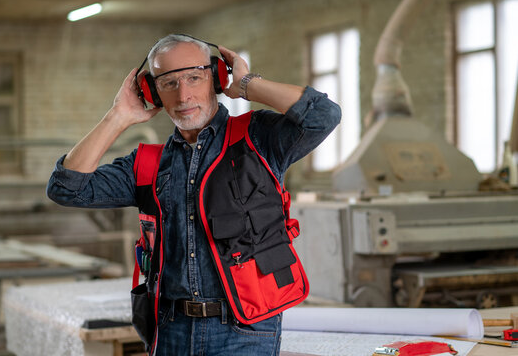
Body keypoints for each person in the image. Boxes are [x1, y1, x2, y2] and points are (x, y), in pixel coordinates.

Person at [47, 34, 341, 356]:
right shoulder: (147, 165)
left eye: (194, 78)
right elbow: (66, 188)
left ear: (216, 77)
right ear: (152, 92)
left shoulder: (258, 139)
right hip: (171, 331)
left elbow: (323, 116)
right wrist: (118, 116)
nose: (183, 95)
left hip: (244, 329)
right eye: (169, 83)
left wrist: (246, 84)